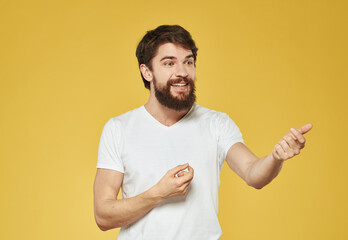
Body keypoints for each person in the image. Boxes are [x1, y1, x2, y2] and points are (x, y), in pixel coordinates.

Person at [93, 25, 312, 239]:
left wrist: (275, 158)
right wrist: (159, 193)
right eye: (169, 63)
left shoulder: (216, 123)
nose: (182, 72)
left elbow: (253, 174)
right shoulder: (119, 129)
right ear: (147, 71)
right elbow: (103, 216)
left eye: (188, 62)